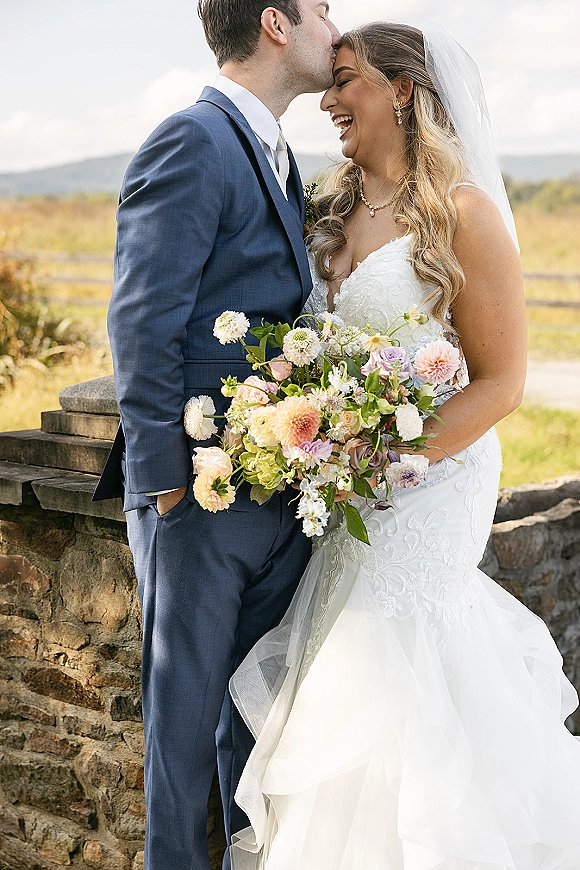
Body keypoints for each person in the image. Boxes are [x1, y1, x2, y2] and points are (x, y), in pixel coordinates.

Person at [228, 22, 580, 870]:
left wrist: (387, 458)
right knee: (342, 656)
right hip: (350, 486)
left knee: (387, 658)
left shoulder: (463, 213)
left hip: (434, 482)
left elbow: (500, 384)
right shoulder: (329, 206)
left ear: (402, 91)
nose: (325, 99)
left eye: (344, 80)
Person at [93, 2, 340, 868]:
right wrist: (166, 484)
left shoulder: (277, 153)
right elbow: (141, 320)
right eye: (321, 11)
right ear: (275, 23)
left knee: (254, 727)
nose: (334, 31)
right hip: (196, 498)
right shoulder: (192, 140)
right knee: (184, 733)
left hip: (276, 492)